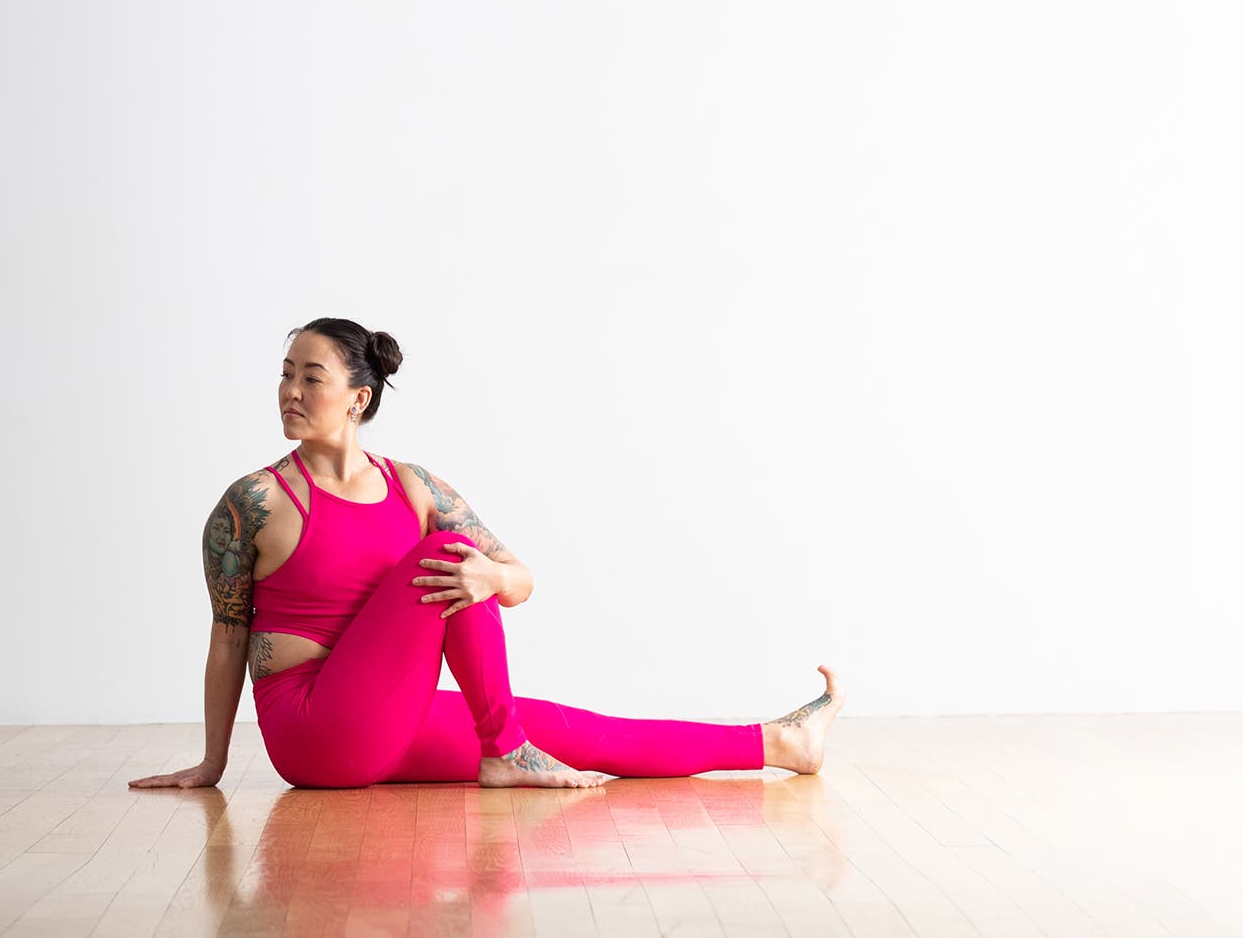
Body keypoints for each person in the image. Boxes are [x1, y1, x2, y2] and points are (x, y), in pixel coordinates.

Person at [129, 318, 843, 791]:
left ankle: (780, 744)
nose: (289, 391)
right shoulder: (252, 503)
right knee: (447, 553)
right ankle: (505, 751)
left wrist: (490, 574)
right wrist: (213, 763)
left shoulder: (412, 487)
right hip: (311, 729)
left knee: (577, 731)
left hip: (388, 716)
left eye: (310, 377)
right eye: (285, 373)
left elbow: (519, 580)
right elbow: (228, 639)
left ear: (358, 397)